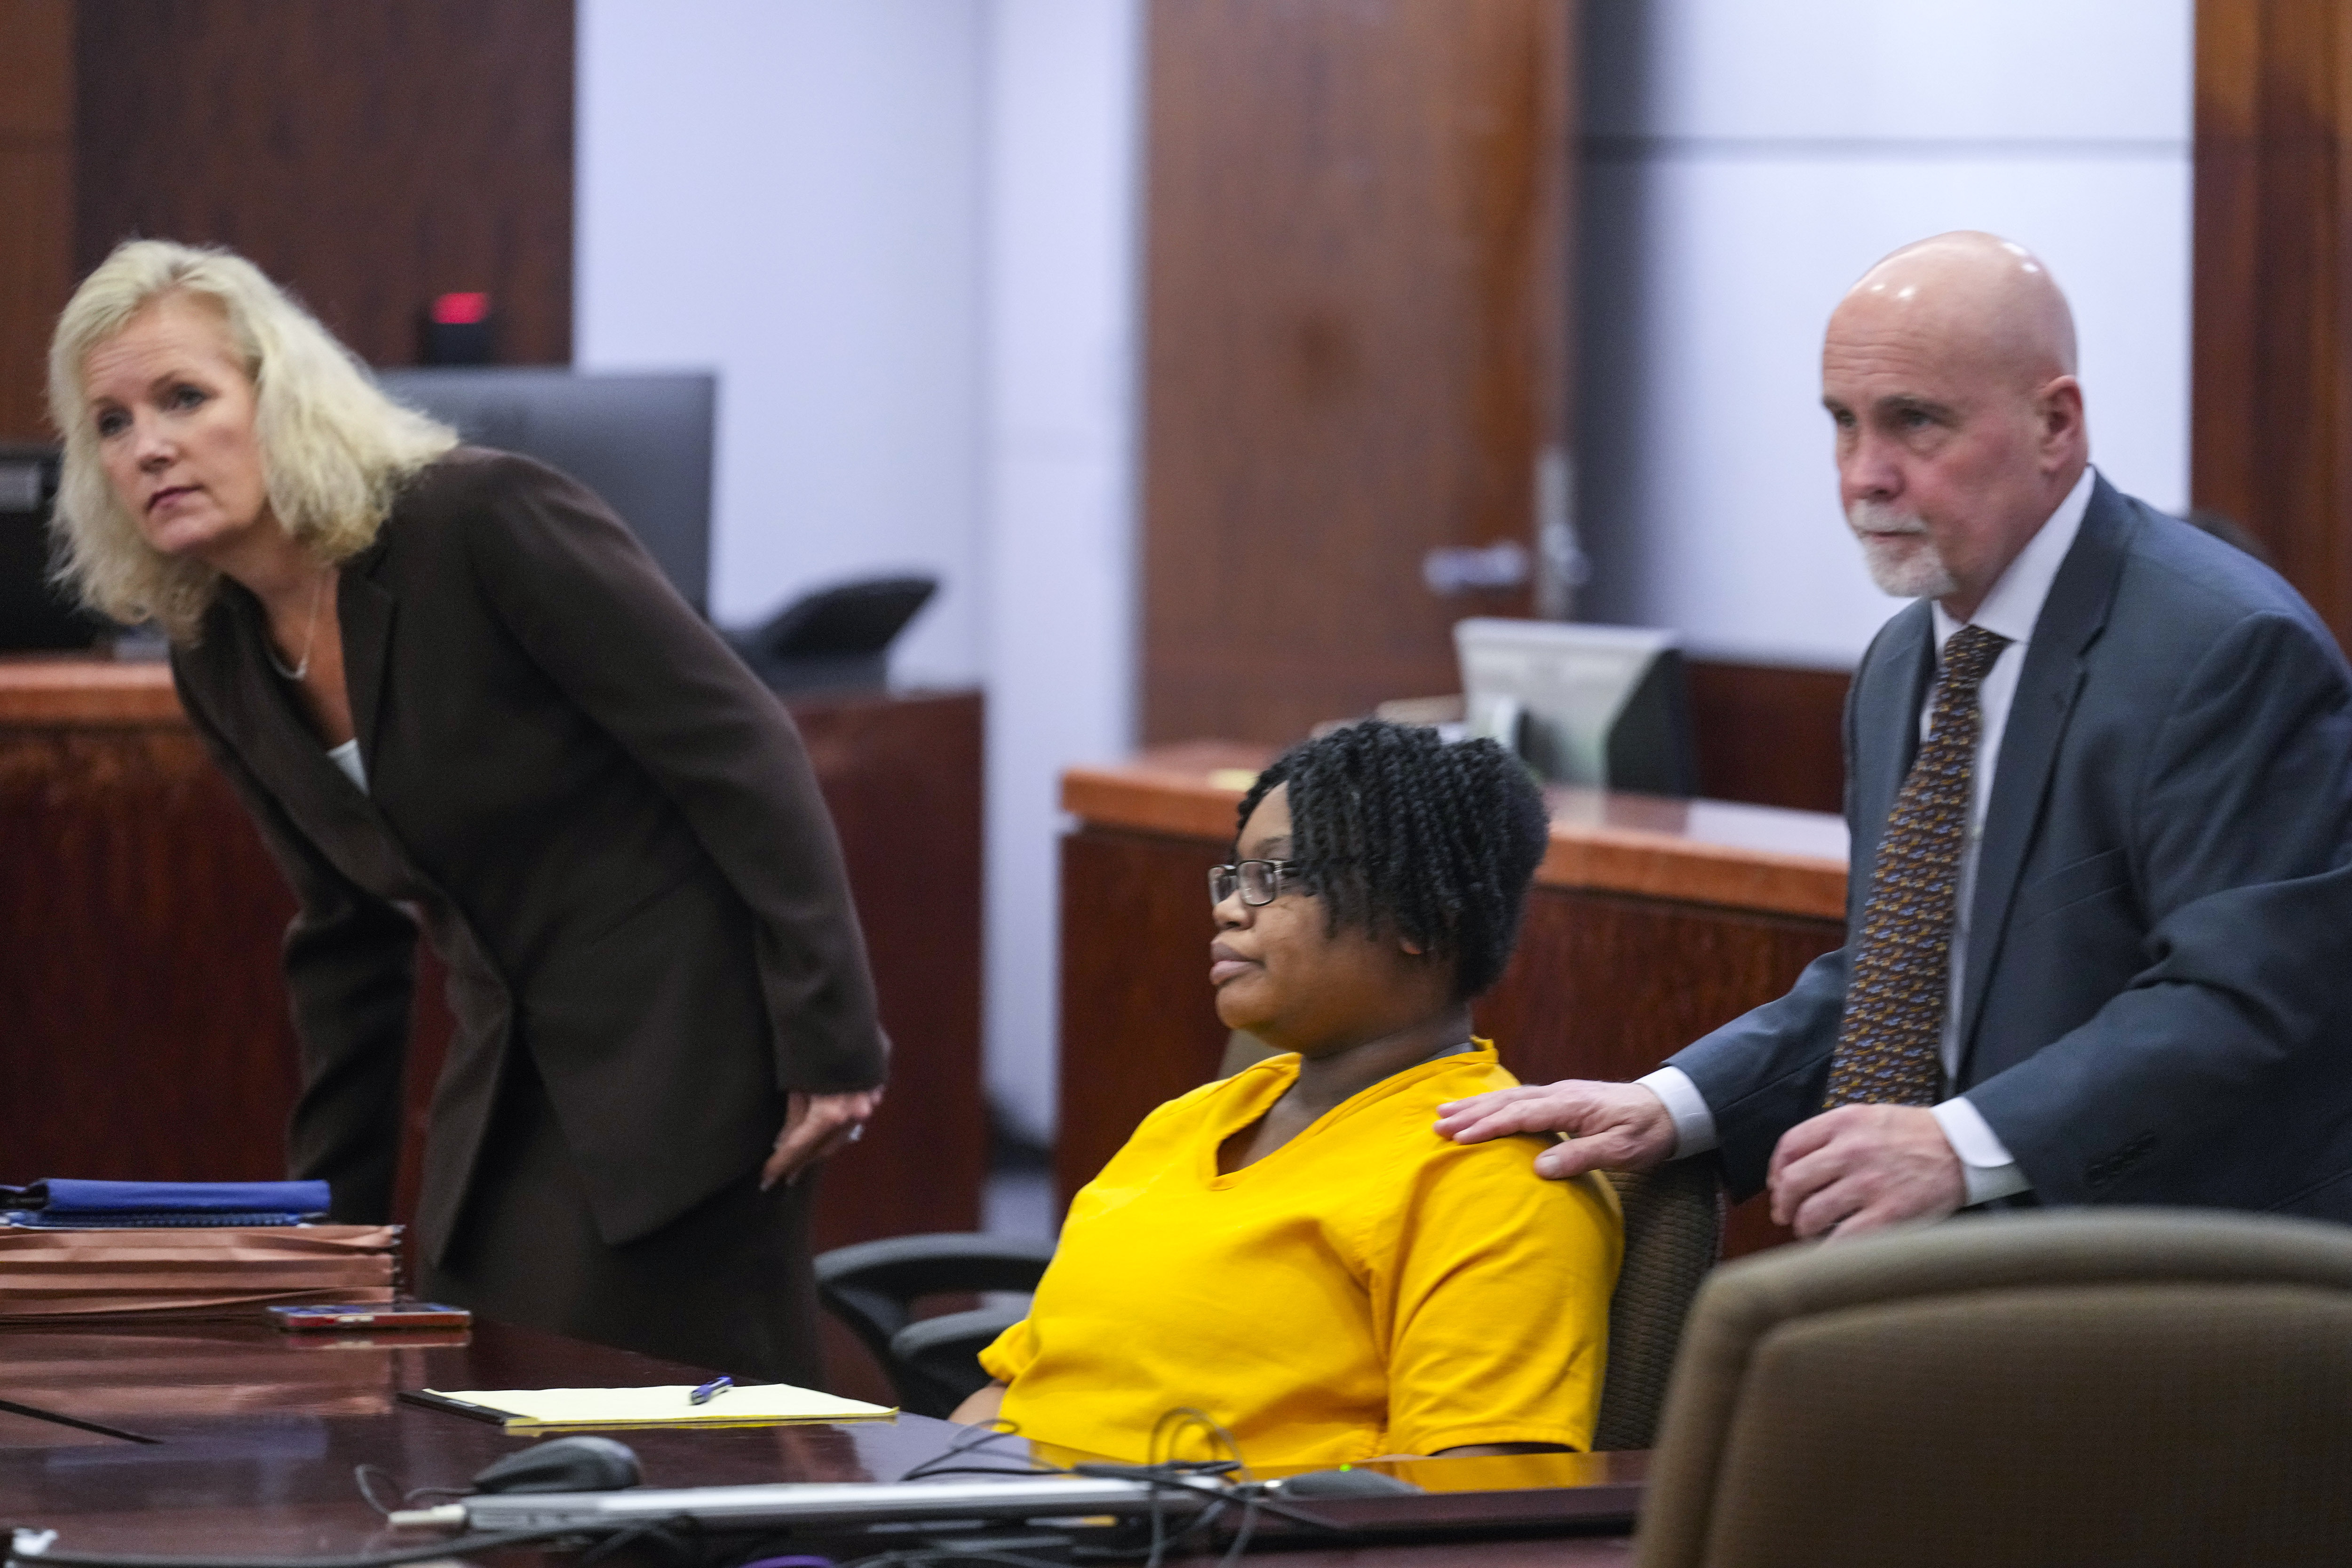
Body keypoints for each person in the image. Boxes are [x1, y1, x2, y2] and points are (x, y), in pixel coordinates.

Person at [46, 239, 887, 1381]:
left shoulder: (479, 518)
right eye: (112, 422)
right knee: (472, 1387)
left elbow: (741, 751)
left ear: (281, 394)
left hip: (693, 1040)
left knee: (631, 1415)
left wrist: (834, 1037)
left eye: (186, 397)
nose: (149, 444)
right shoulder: (220, 653)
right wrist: (325, 1227)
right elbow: (345, 933)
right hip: (511, 1075)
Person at [1439, 231, 2352, 1237]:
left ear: (2054, 423)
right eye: (1842, 423)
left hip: (2175, 1274)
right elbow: (1902, 974)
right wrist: (1673, 1099)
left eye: (1914, 423)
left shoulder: (2225, 647)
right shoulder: (1900, 663)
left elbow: (2242, 998)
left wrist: (1961, 1142)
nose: (1863, 476)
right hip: (1955, 1264)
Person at [953, 721, 1622, 1465]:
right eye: (1233, 877)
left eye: (1272, 877)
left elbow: (1470, 1498)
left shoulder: (1492, 1178)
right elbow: (1014, 1391)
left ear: (1421, 918)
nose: (1230, 909)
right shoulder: (1188, 1120)